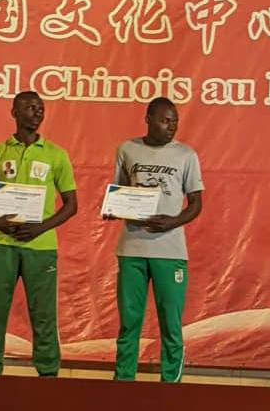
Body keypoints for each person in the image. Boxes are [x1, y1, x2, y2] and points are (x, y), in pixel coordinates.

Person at [0, 91, 78, 376]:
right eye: (30, 107)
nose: (37, 112)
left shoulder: (56, 154)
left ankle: (48, 375)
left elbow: (72, 205)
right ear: (14, 112)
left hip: (41, 247)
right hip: (2, 244)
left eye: (40, 108)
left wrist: (41, 226)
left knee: (43, 316)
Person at [111, 97, 203, 382]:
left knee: (171, 324)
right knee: (129, 322)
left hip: (170, 251)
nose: (171, 126)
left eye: (175, 121)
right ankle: (123, 381)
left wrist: (173, 221)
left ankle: (170, 383)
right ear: (148, 119)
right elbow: (119, 193)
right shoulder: (127, 149)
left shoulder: (186, 155)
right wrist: (114, 208)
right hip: (132, 248)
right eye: (165, 120)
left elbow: (196, 203)